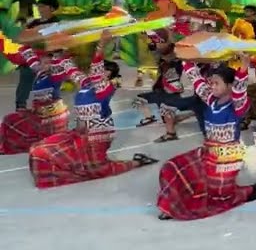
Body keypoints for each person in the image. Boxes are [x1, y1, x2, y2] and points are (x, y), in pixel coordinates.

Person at [27, 32, 159, 188]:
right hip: (79, 135)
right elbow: (70, 69)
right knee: (39, 150)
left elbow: (96, 69)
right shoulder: (86, 84)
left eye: (101, 71)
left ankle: (137, 162)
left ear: (107, 74)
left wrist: (101, 46)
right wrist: (59, 51)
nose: (93, 70)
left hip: (96, 137)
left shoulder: (106, 88)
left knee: (99, 169)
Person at [156, 59, 256, 220]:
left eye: (216, 83)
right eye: (211, 83)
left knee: (219, 198)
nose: (212, 86)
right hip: (208, 152)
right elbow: (196, 80)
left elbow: (240, 90)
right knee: (171, 168)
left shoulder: (238, 105)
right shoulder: (210, 99)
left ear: (229, 86)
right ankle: (171, 207)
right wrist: (186, 57)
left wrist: (243, 68)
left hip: (227, 160)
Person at [1, 40, 74, 154]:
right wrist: (25, 41)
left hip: (52, 118)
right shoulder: (38, 70)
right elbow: (28, 55)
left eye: (50, 63)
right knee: (10, 120)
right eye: (44, 63)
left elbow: (62, 64)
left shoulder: (55, 76)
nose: (47, 66)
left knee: (14, 124)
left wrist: (59, 52)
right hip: (40, 115)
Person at [14, 0, 59, 111]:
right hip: (31, 58)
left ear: (52, 8)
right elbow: (23, 38)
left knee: (50, 83)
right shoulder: (33, 23)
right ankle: (21, 106)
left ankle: (52, 106)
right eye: (38, 6)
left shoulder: (58, 22)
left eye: (43, 6)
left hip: (49, 59)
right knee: (26, 80)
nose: (40, 9)